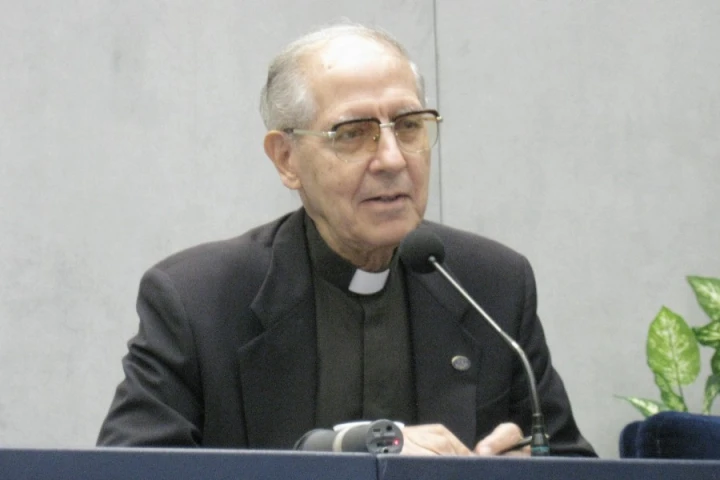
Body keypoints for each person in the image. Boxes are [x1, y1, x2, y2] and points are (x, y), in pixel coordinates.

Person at [97, 23, 596, 457]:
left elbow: (569, 461)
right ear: (286, 159)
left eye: (409, 126)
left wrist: (520, 471)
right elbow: (132, 471)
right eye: (353, 133)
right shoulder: (199, 301)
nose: (393, 159)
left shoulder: (492, 285)